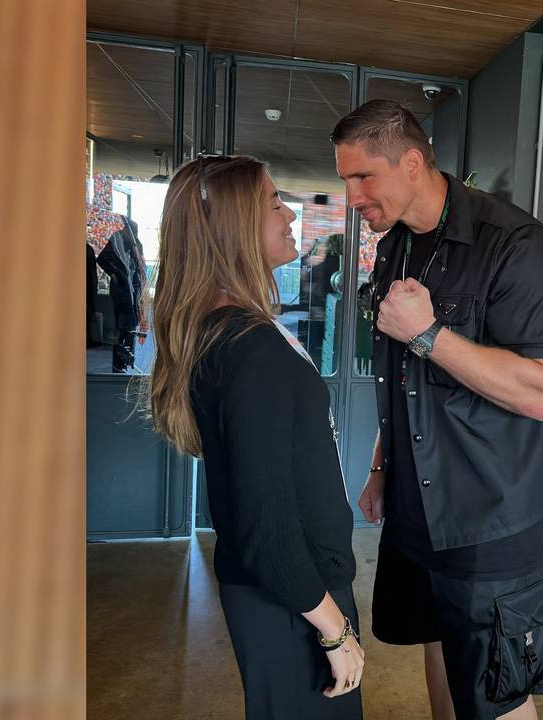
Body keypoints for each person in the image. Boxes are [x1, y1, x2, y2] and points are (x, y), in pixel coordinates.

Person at [331, 100, 543, 720]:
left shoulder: (515, 244)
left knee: (497, 690)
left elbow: (541, 391)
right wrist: (379, 467)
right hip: (419, 507)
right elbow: (404, 378)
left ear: (413, 162)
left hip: (492, 512)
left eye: (363, 177)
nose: (353, 196)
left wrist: (429, 334)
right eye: (346, 180)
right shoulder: (396, 247)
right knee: (443, 651)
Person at [148, 154, 365, 719]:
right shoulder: (250, 349)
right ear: (235, 226)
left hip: (287, 593)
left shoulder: (231, 332)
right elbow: (265, 524)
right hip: (296, 599)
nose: (289, 215)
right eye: (273, 202)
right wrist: (335, 631)